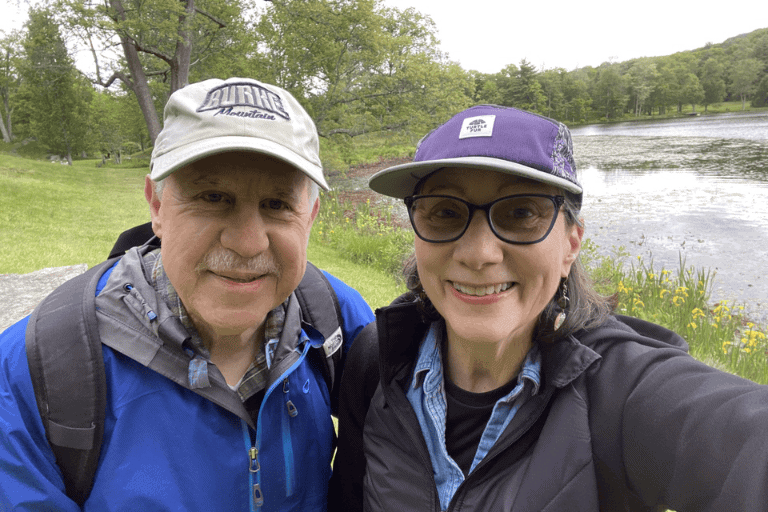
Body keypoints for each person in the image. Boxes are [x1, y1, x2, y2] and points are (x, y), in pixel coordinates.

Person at [329, 105, 768, 511]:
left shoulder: (618, 391)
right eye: (444, 212)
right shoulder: (379, 361)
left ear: (570, 245)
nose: (479, 253)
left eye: (521, 213)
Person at [0, 77, 374, 511]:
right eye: (213, 197)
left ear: (309, 216)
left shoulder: (334, 318)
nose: (248, 242)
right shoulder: (34, 370)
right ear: (157, 206)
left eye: (277, 205)